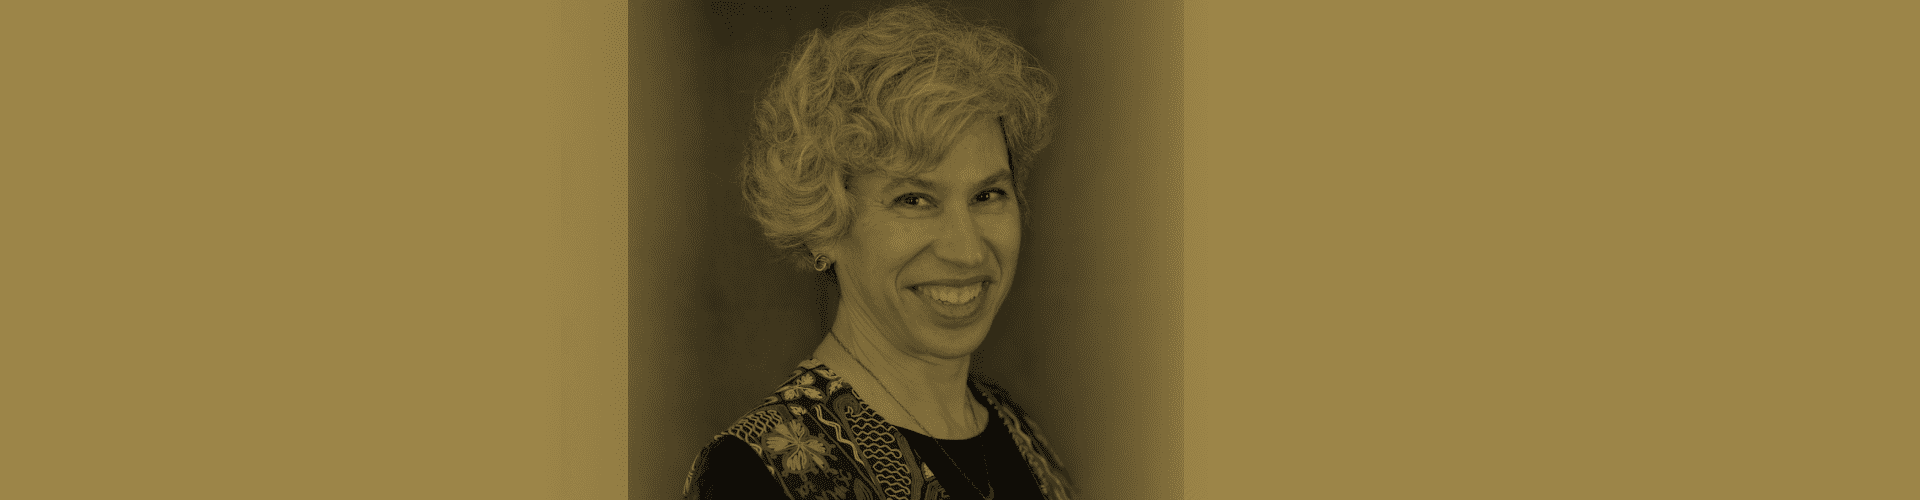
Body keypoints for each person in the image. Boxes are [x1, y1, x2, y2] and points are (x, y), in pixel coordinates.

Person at [682, 4, 1071, 500]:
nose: (967, 251)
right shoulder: (752, 476)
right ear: (823, 223)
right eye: (914, 200)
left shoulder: (1022, 435)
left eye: (987, 195)